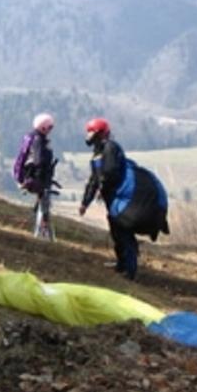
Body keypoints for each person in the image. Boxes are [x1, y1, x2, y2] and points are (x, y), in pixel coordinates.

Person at [79, 117, 170, 281]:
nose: (90, 137)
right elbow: (94, 180)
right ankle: (122, 264)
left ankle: (130, 270)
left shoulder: (110, 148)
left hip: (130, 202)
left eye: (93, 133)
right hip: (120, 202)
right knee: (116, 227)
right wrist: (85, 202)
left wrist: (103, 186)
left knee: (122, 229)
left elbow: (110, 172)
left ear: (100, 134)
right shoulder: (98, 155)